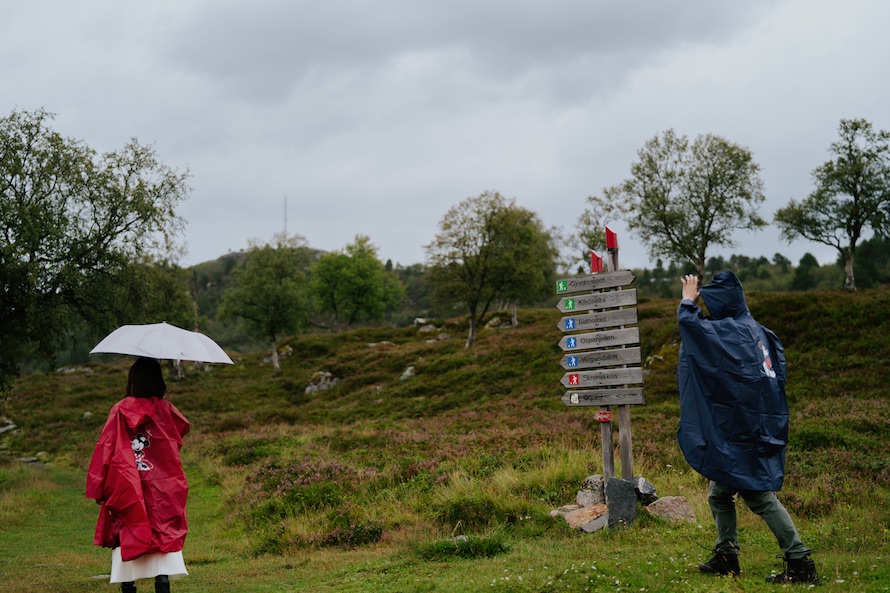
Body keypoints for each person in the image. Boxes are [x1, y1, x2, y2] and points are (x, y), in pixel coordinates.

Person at [676, 271, 819, 584]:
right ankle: (726, 555)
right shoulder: (758, 330)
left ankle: (800, 561)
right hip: (758, 423)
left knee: (760, 497)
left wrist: (689, 300)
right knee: (719, 492)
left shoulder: (731, 331)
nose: (710, 310)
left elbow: (691, 327)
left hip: (742, 431)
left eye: (714, 303)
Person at [86, 357, 190, 593]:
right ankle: (162, 582)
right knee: (161, 531)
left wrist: (99, 484)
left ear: (132, 380)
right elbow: (178, 436)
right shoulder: (166, 409)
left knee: (128, 527)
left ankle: (128, 584)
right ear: (158, 381)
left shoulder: (120, 409)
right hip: (163, 483)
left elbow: (106, 446)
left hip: (126, 482)